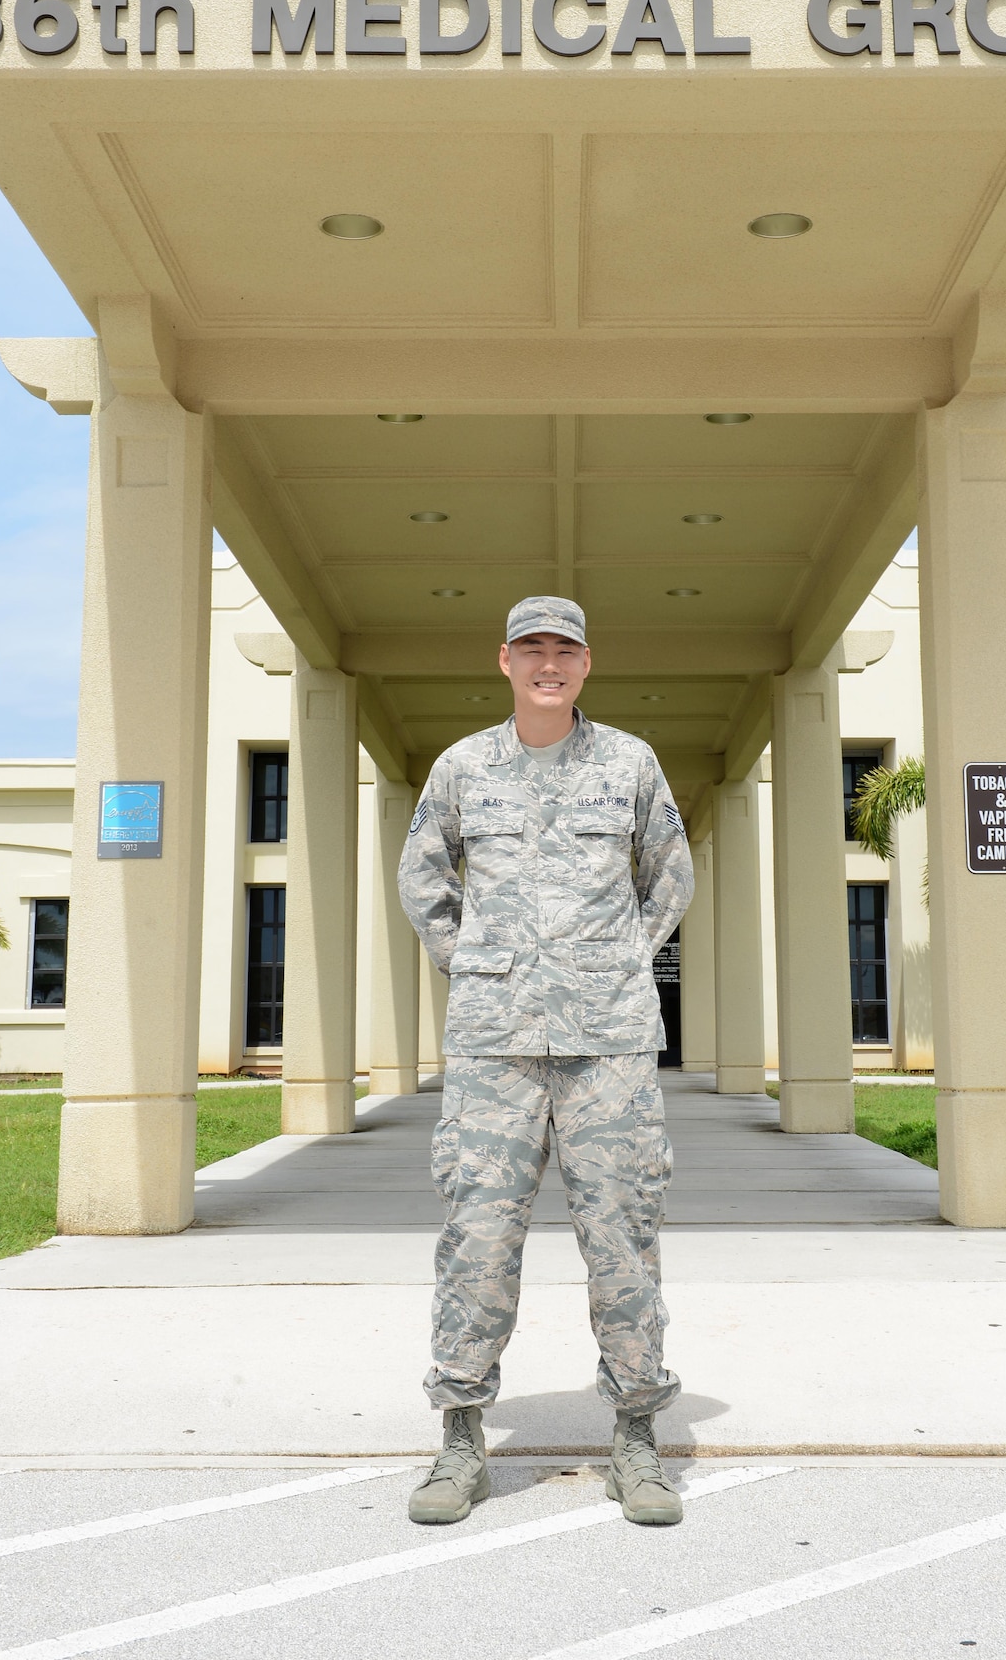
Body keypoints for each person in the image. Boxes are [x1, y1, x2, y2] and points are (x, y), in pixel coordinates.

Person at [397, 595, 695, 1527]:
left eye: (563, 649)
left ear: (585, 663)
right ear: (505, 661)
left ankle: (637, 1437)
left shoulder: (629, 764)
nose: (547, 663)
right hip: (495, 1044)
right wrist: (478, 963)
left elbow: (669, 877)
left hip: (606, 1041)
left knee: (623, 1238)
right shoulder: (461, 768)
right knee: (477, 1240)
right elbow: (424, 880)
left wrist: (610, 962)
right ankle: (459, 1437)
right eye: (531, 648)